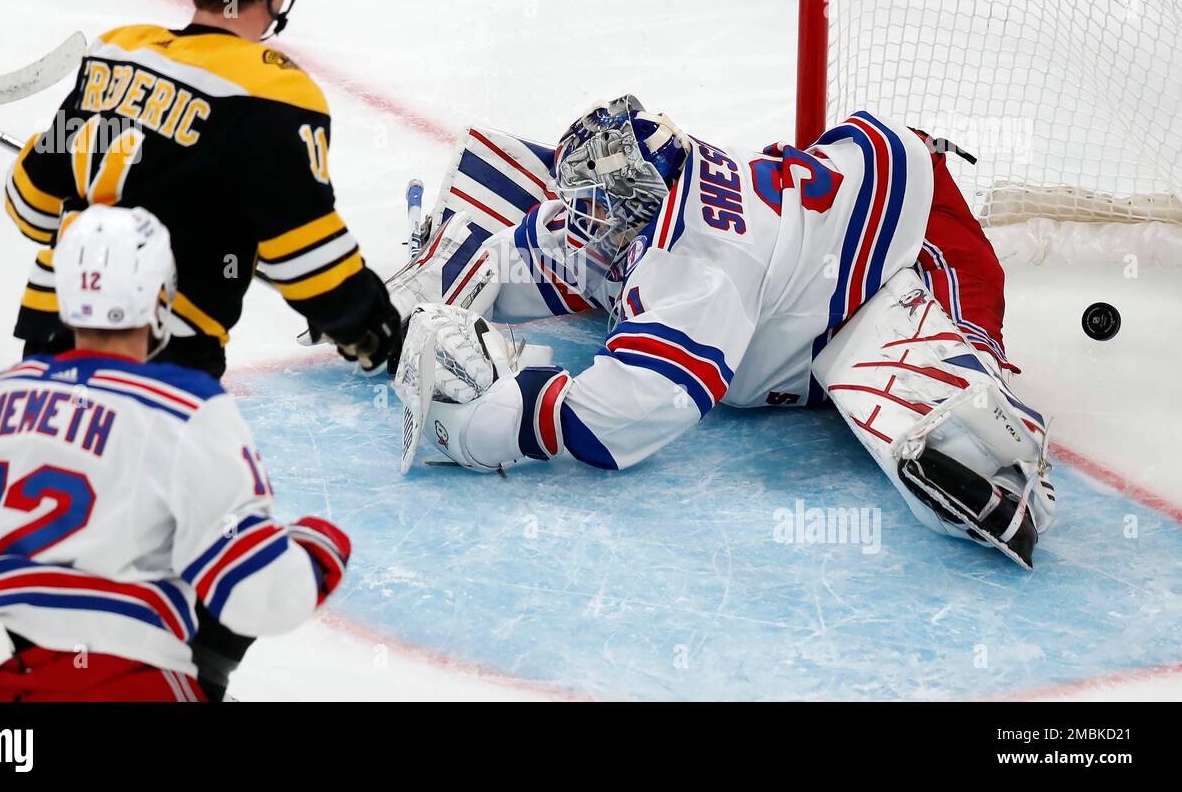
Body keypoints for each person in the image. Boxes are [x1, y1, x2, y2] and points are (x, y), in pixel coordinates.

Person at [391, 96, 1057, 568]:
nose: (585, 225)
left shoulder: (700, 264)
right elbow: (532, 252)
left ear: (642, 211)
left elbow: (636, 411)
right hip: (850, 176)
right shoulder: (637, 210)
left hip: (917, 232)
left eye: (599, 214)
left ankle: (1011, 448)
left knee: (969, 458)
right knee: (567, 250)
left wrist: (506, 418)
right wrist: (403, 304)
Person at [0, 205, 352, 701]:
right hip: (115, 681)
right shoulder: (186, 407)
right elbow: (256, 596)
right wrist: (316, 554)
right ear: (160, 298)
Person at [5, 0, 400, 381]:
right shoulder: (273, 91)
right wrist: (372, 326)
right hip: (161, 355)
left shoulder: (118, 50)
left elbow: (28, 204)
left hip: (50, 332)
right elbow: (307, 260)